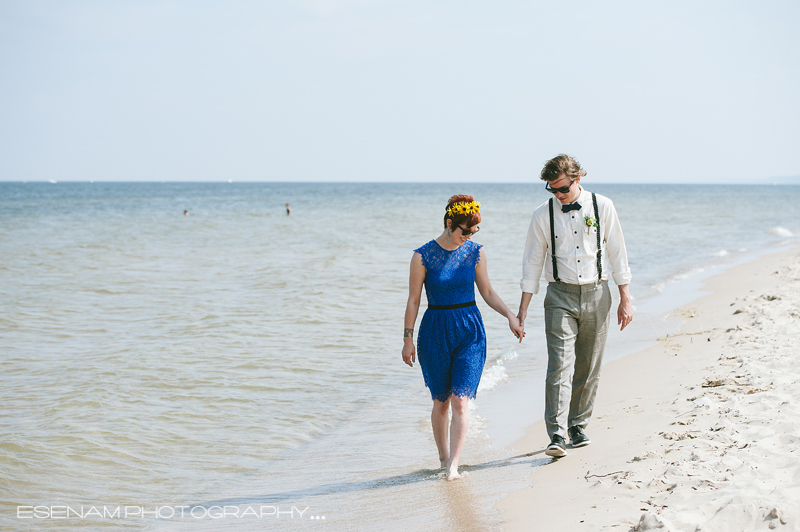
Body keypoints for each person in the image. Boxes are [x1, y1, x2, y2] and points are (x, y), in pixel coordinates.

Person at [517, 154, 633, 458]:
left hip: (598, 294)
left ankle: (578, 426)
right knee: (559, 364)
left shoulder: (603, 206)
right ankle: (555, 435)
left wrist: (626, 298)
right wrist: (522, 310)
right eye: (552, 190)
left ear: (577, 179)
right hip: (559, 297)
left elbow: (617, 252)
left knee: (589, 364)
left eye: (563, 189)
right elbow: (532, 263)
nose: (558, 195)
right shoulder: (541, 215)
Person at [402, 195, 524, 480]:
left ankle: (454, 466)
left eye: (473, 231)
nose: (468, 236)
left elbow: (488, 292)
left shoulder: (476, 253)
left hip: (470, 330)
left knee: (460, 400)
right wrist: (407, 339)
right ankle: (443, 458)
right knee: (441, 401)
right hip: (434, 331)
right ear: (449, 223)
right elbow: (413, 301)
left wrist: (510, 316)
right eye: (464, 231)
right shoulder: (422, 256)